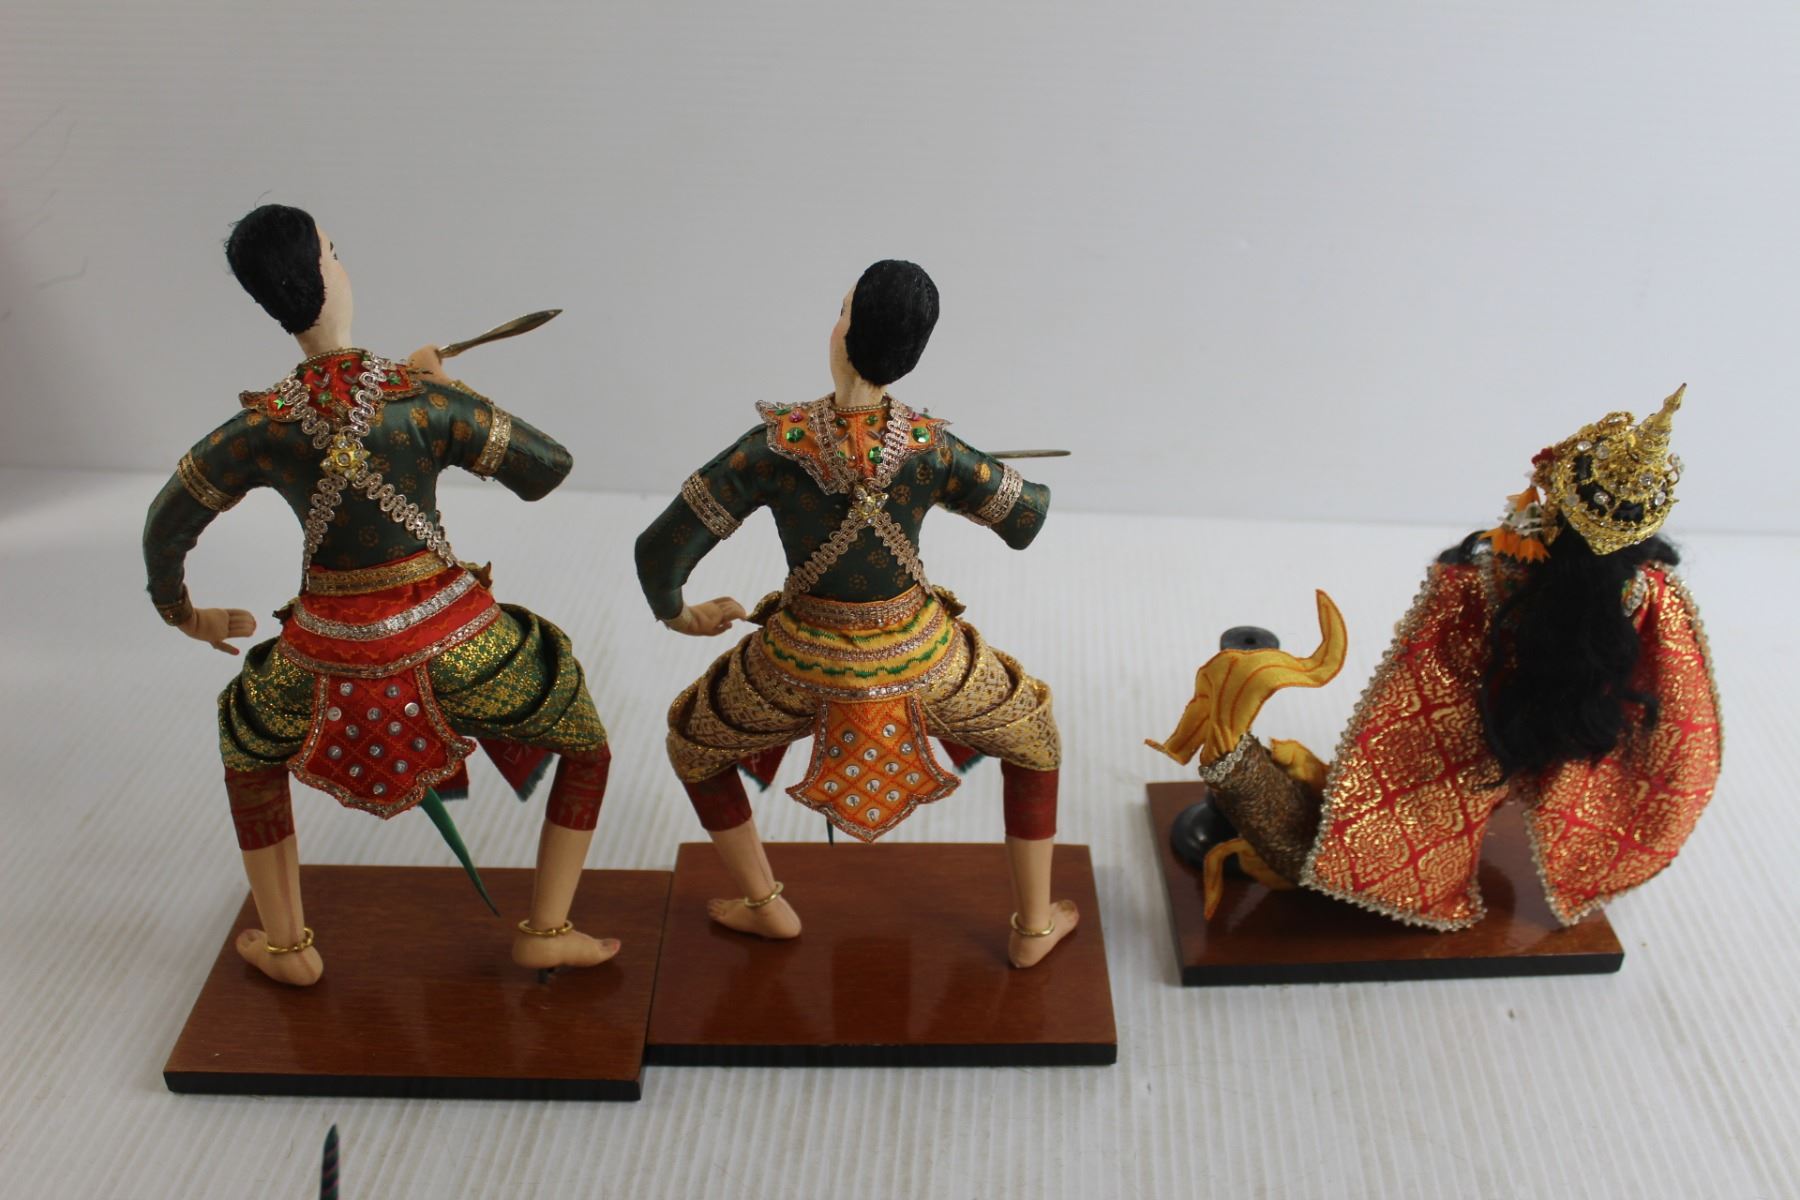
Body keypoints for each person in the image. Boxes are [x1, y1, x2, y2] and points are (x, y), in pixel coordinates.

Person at [142, 204, 617, 984]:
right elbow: (548, 469)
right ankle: (548, 927)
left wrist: (184, 613)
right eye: (334, 250)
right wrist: (449, 386)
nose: (341, 262)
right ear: (324, 273)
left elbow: (166, 522)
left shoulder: (260, 426)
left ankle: (288, 947)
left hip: (319, 664)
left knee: (245, 746)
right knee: (587, 745)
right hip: (464, 647)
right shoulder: (421, 400)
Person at [634, 260, 1075, 967]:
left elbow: (658, 552)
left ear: (845, 334)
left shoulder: (773, 446)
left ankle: (764, 905)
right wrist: (957, 480)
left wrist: (684, 617)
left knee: (693, 744)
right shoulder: (929, 446)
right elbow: (1027, 517)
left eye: (841, 308)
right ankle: (1033, 928)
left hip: (794, 665)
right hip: (929, 662)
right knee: (1037, 740)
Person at [1149, 387, 1721, 928]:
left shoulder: (1481, 583)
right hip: (1583, 734)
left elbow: (1423, 703)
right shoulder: (1655, 596)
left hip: (1490, 729)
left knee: (1431, 782)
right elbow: (1681, 718)